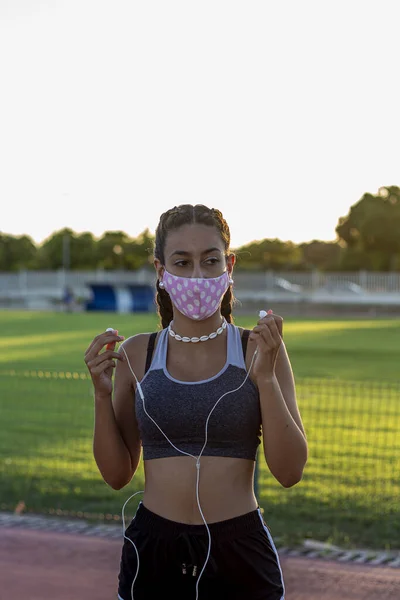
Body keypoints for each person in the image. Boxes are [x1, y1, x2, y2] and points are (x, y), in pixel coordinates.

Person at [84, 204, 308, 600]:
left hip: (240, 550)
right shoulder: (137, 354)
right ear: (160, 272)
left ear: (230, 265)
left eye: (210, 260)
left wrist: (267, 378)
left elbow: (289, 471)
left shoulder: (258, 349)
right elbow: (117, 475)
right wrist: (102, 395)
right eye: (182, 262)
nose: (198, 275)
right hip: (153, 549)